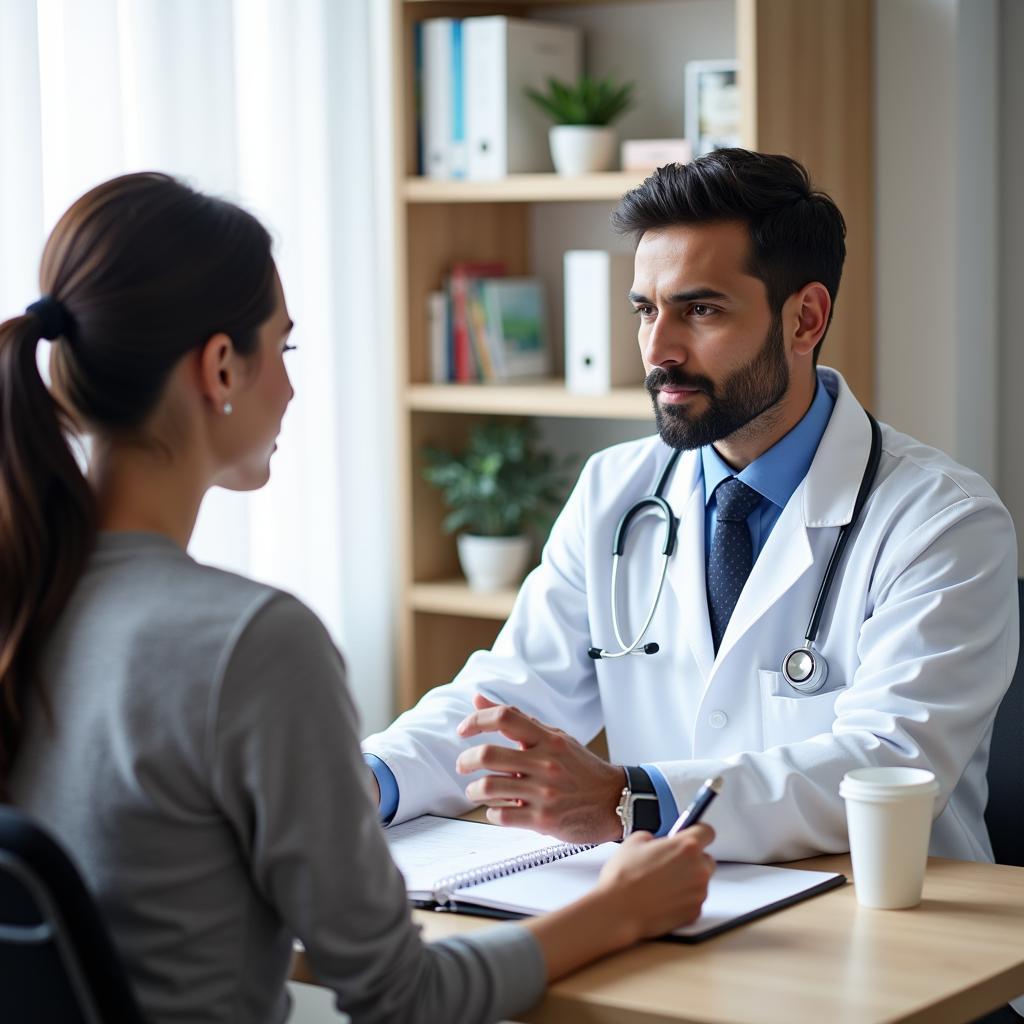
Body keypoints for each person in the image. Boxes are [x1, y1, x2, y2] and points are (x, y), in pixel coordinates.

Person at [0, 172, 716, 1024]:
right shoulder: (250, 643)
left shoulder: (24, 597)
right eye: (285, 349)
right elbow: (404, 996)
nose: (293, 390)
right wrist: (621, 907)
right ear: (221, 366)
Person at [363, 148, 1019, 866]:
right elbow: (506, 699)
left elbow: (888, 765)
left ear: (804, 319)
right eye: (645, 309)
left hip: (887, 933)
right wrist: (368, 781)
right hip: (674, 911)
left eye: (699, 309)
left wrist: (632, 798)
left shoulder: (942, 521)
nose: (657, 349)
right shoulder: (613, 491)